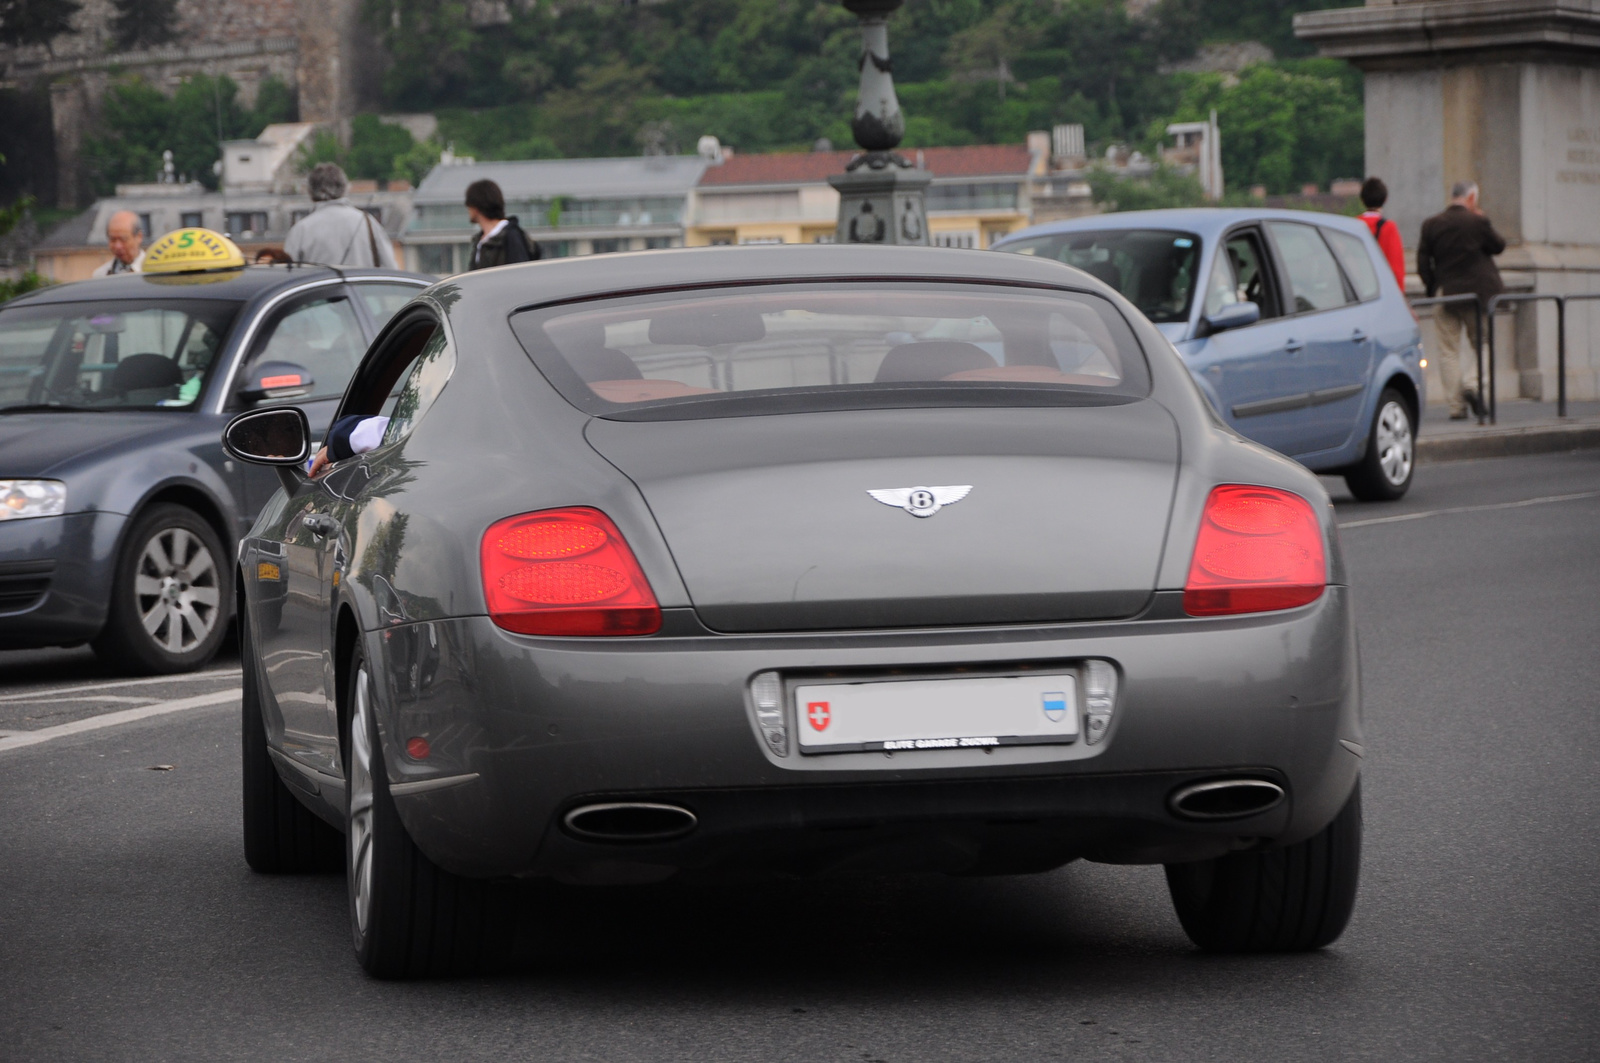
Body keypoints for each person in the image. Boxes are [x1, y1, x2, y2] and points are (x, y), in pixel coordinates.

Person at [1418, 181, 1506, 420]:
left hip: (1445, 292)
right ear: (1471, 198)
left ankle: (1456, 406)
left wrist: (1432, 288)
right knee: (1484, 343)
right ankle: (1473, 384)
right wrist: (1482, 219)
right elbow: (1498, 246)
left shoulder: (1431, 224)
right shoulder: (1477, 222)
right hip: (1478, 294)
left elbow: (1423, 263)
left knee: (1448, 351)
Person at [283, 163, 399, 269]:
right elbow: (391, 268)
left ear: (310, 191)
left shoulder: (301, 230)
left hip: (320, 292)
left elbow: (287, 274)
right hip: (363, 291)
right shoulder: (368, 222)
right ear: (345, 187)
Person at [465, 179, 540, 270]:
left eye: (468, 204)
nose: (467, 208)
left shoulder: (511, 236)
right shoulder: (480, 241)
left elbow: (519, 275)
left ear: (476, 206)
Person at [1358, 177, 1406, 291]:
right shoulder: (1389, 227)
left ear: (1362, 199)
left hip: (1358, 292)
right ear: (1385, 199)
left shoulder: (1353, 225)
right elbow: (1396, 268)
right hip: (1380, 291)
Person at [92, 210, 145, 276]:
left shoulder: (153, 272)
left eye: (123, 240)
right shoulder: (101, 275)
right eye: (113, 240)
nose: (118, 246)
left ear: (139, 237)